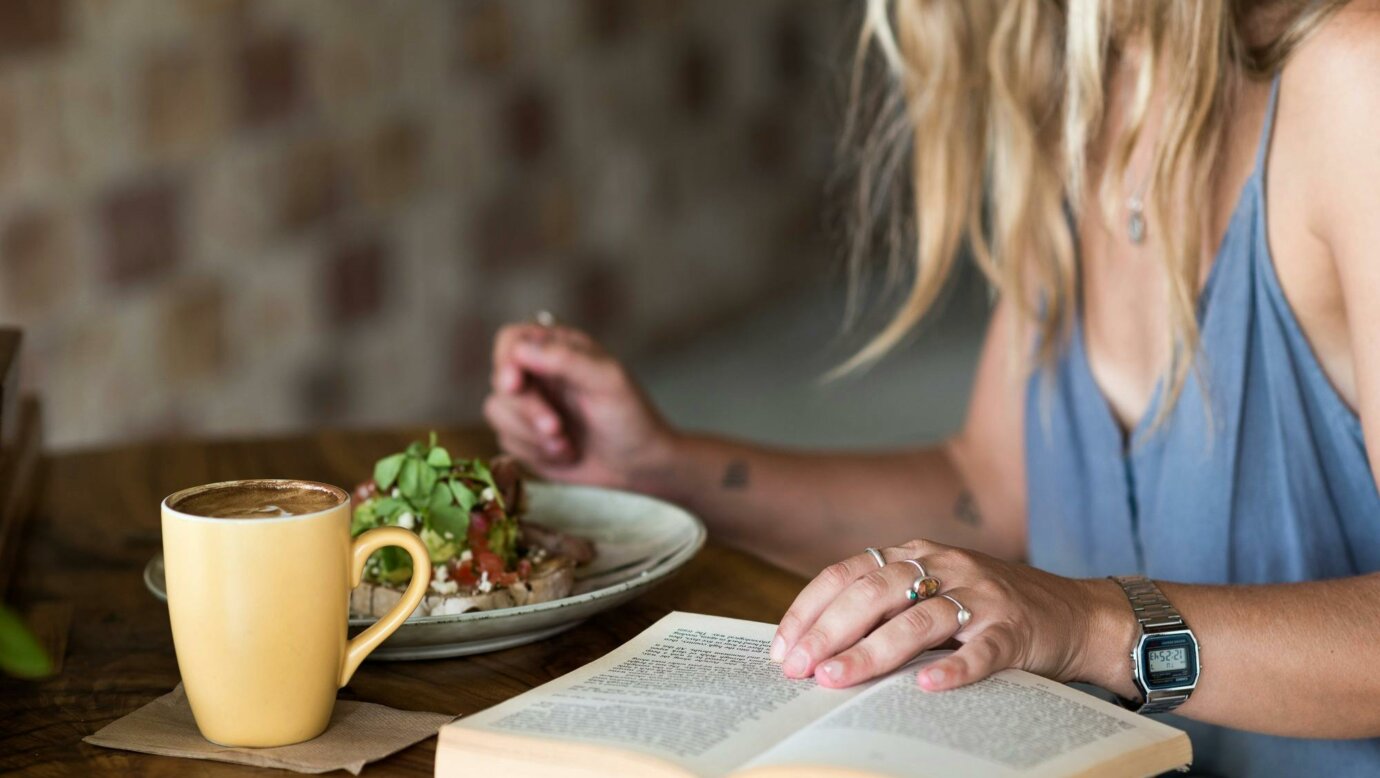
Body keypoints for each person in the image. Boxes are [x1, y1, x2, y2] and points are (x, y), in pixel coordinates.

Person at [485, 1, 1380, 774]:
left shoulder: (1355, 81)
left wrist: (1088, 622)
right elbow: (992, 492)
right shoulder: (1085, 75)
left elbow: (1057, 607)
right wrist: (663, 471)